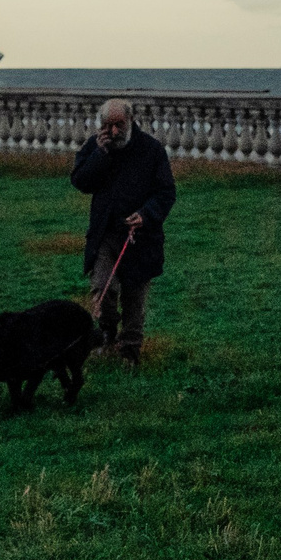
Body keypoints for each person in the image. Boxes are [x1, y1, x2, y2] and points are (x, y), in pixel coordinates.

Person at [69, 98, 175, 365]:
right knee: (103, 287)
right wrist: (99, 155)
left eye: (119, 125)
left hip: (141, 238)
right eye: (107, 126)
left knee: (134, 299)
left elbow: (166, 192)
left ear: (130, 121)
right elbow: (80, 181)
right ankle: (106, 335)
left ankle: (130, 351)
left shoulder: (151, 150)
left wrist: (146, 215)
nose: (113, 132)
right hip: (105, 235)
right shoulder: (96, 147)